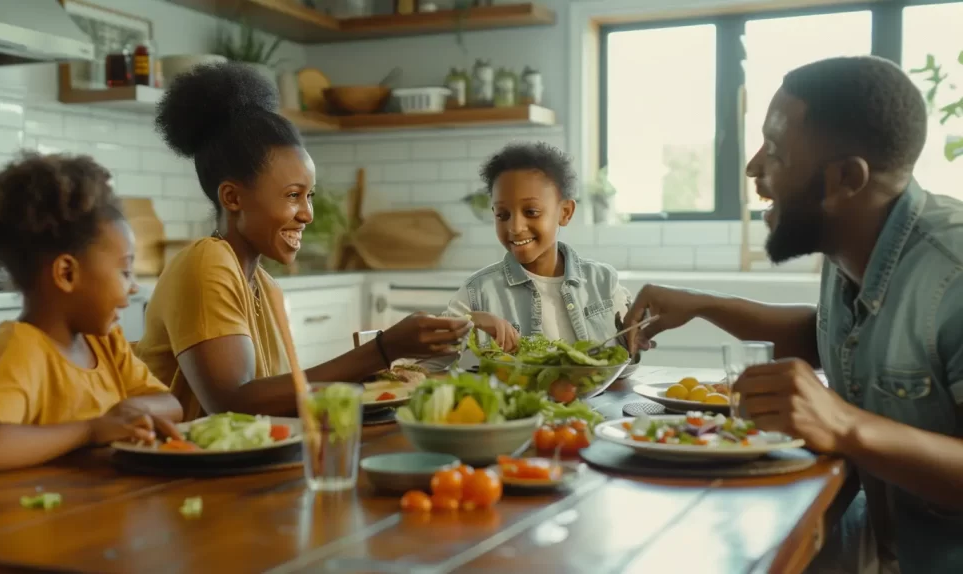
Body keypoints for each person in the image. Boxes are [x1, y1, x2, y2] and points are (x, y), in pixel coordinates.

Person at [621, 55, 963, 574]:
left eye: (776, 151)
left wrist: (844, 425)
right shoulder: (851, 244)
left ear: (846, 178)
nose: (754, 167)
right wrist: (706, 305)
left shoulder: (953, 275)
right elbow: (839, 340)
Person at [136, 62, 471, 421]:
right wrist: (382, 349)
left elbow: (281, 395)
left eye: (309, 195)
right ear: (233, 198)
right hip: (183, 472)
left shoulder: (264, 286)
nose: (307, 214)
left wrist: (370, 374)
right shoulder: (206, 262)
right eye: (293, 195)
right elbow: (234, 403)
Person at [0, 153, 183, 476]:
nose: (132, 287)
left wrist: (129, 411)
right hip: (7, 522)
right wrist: (91, 430)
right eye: (125, 271)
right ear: (66, 273)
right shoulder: (17, 349)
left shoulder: (105, 343)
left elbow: (171, 405)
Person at [436, 142, 639, 363]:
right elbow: (427, 361)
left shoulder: (603, 282)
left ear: (565, 212)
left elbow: (627, 360)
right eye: (502, 215)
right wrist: (470, 321)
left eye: (531, 212)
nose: (515, 227)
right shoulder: (478, 291)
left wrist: (639, 338)